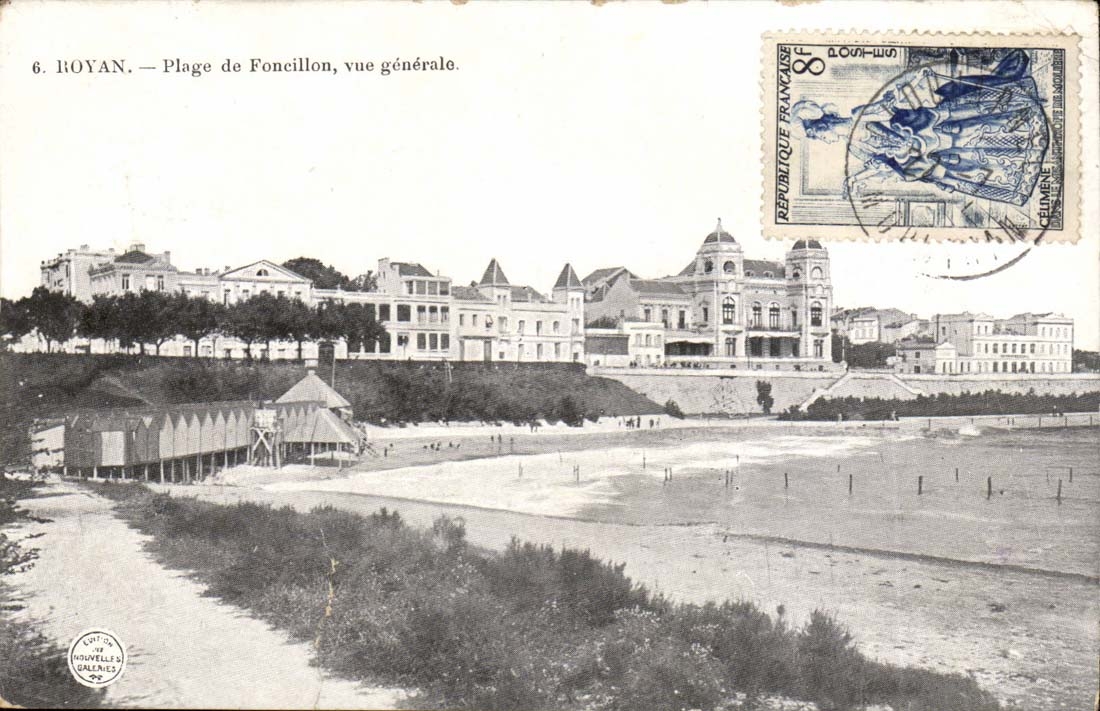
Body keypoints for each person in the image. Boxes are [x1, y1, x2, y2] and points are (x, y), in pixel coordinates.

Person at [796, 49, 1048, 206]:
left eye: (820, 135)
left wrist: (899, 99)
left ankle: (1022, 122)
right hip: (920, 157)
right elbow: (882, 165)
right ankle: (1017, 162)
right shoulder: (854, 149)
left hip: (922, 128)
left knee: (970, 127)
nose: (825, 140)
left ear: (825, 124)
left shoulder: (856, 116)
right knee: (959, 164)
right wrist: (856, 178)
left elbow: (885, 109)